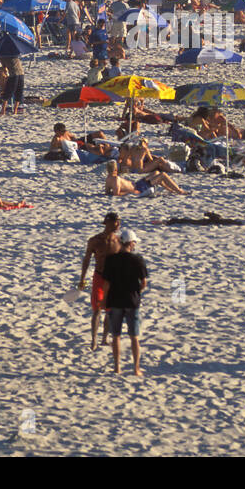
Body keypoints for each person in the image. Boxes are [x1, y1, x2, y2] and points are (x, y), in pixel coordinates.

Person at [101, 228, 148, 376]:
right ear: (131, 243)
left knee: (116, 336)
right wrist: (137, 293)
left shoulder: (111, 260)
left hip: (115, 300)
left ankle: (117, 367)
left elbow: (106, 284)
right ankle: (136, 368)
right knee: (134, 336)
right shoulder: (137, 259)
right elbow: (144, 283)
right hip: (131, 301)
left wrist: (104, 300)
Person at [79, 213, 121, 350]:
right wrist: (82, 279)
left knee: (109, 311)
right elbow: (86, 260)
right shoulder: (94, 240)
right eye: (116, 222)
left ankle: (104, 338)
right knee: (97, 310)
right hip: (99, 277)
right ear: (108, 223)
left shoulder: (119, 241)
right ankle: (94, 340)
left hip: (113, 279)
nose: (118, 225)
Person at [104, 159, 185, 196]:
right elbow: (116, 193)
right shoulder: (116, 179)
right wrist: (131, 192)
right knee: (162, 175)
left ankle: (171, 190)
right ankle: (179, 191)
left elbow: (107, 192)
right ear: (115, 169)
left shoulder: (108, 179)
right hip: (139, 189)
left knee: (156, 172)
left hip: (138, 184)